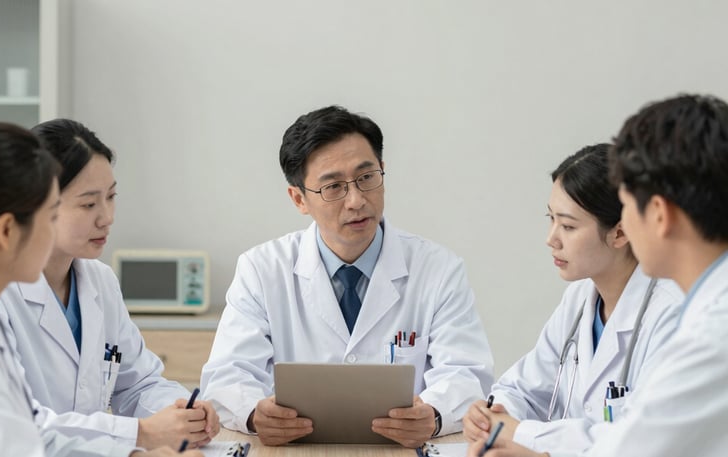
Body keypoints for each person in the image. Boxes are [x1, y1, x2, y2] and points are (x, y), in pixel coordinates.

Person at [201, 105, 494, 448]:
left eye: (367, 178)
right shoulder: (261, 269)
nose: (356, 200)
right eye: (333, 187)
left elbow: (466, 372)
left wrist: (434, 414)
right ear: (299, 199)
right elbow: (228, 374)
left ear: (382, 172)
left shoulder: (439, 269)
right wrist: (254, 413)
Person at [468, 94, 728, 457]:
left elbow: (639, 445)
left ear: (658, 213)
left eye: (629, 203)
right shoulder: (707, 307)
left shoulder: (711, 330)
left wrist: (531, 441)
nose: (552, 238)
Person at [0, 122, 203, 457]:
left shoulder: (95, 282)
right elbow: (16, 442)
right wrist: (139, 437)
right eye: (50, 215)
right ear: (7, 230)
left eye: (112, 197)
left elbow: (30, 432)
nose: (107, 218)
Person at [462, 144, 683, 453]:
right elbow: (524, 388)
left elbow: (642, 441)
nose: (551, 238)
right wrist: (492, 417)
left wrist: (523, 434)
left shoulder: (671, 313)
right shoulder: (579, 299)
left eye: (567, 226)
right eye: (550, 218)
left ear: (620, 233)